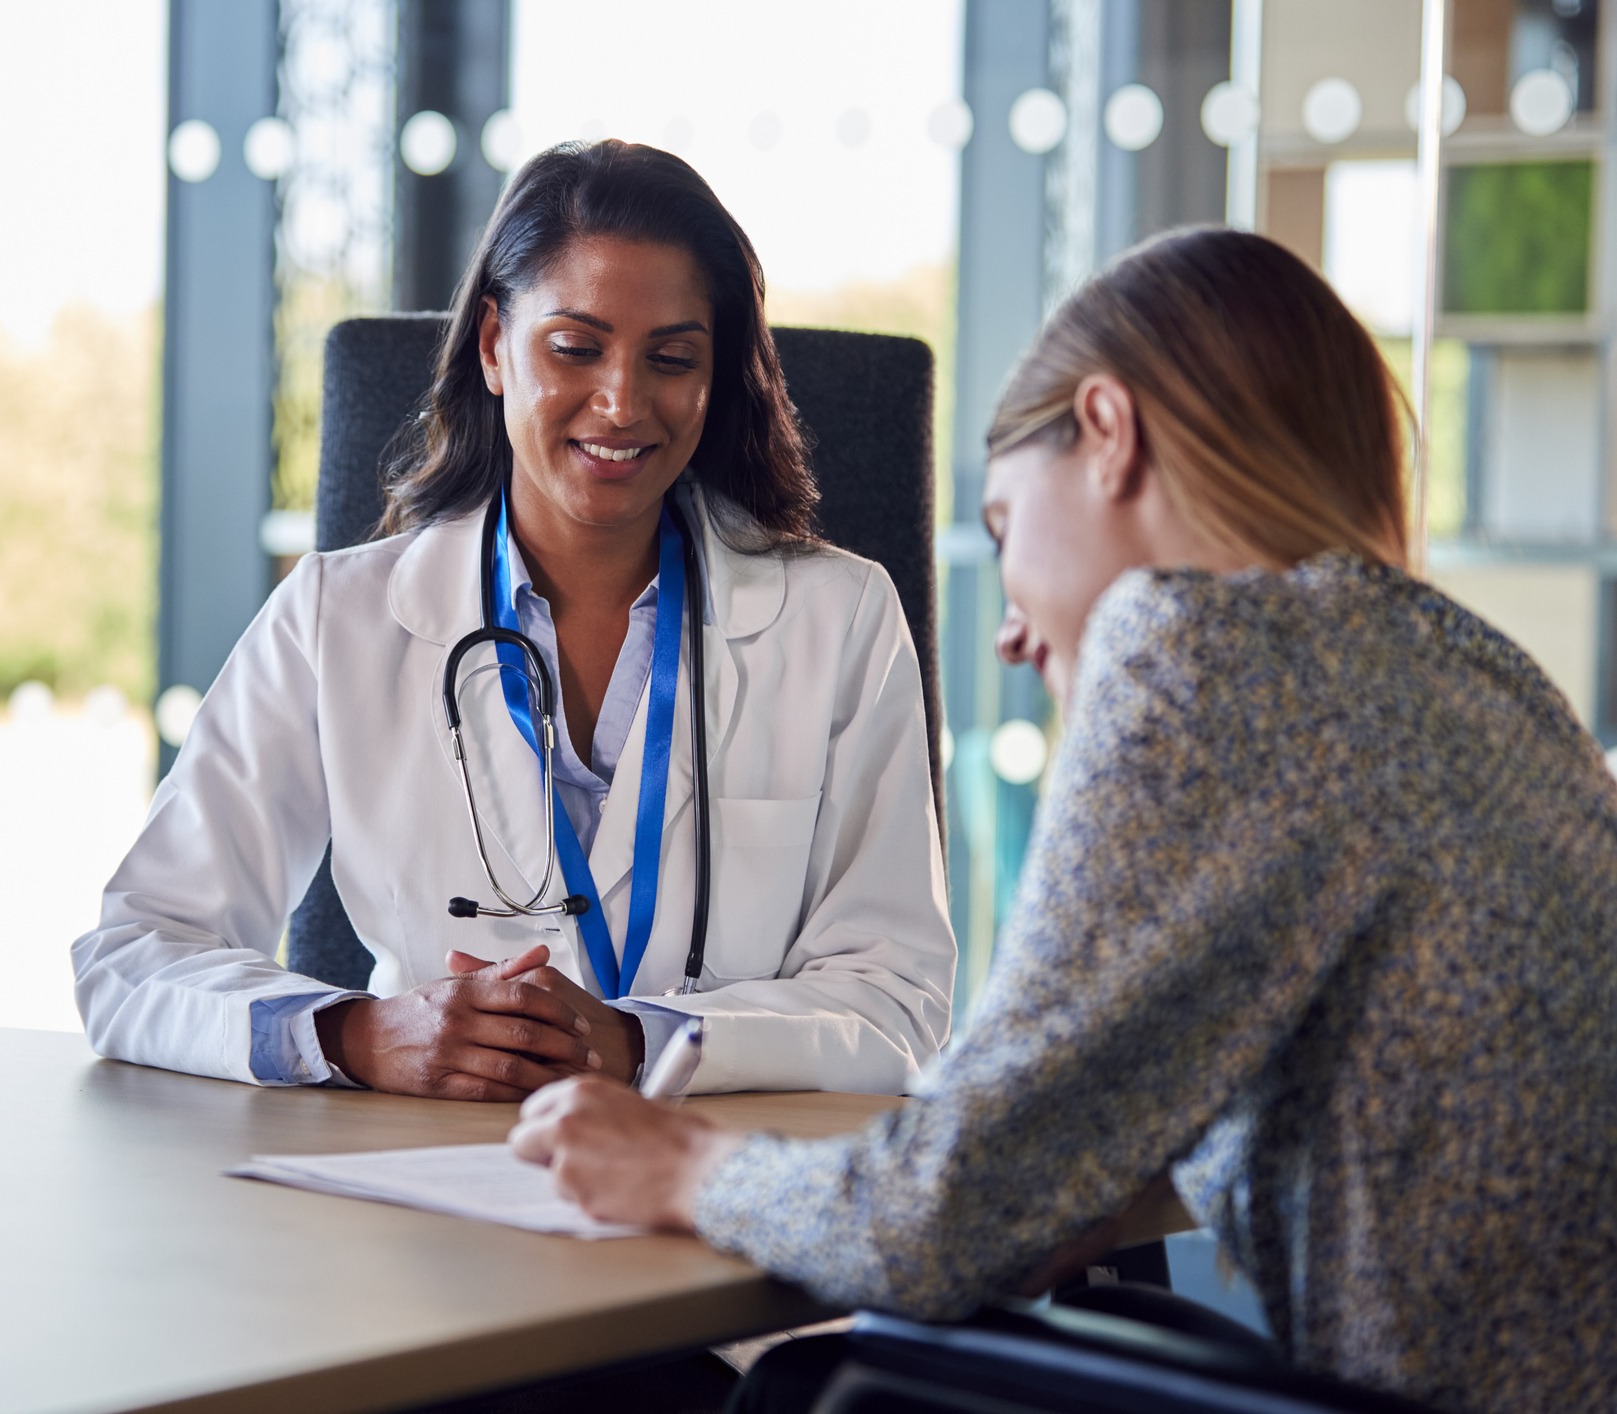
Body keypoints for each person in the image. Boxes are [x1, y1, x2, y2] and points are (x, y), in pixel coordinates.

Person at [509, 226, 1617, 1412]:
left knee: (808, 1387)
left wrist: (683, 1164)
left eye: (1000, 526)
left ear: (1107, 431)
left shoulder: (1205, 649)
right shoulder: (1474, 672)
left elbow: (936, 1217)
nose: (1009, 632)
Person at [72, 140, 955, 1101]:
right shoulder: (339, 616)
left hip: (713, 1189)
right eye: (574, 347)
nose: (621, 403)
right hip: (417, 1189)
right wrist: (355, 1035)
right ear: (494, 347)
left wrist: (636, 1043)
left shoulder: (841, 618)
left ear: (716, 376)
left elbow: (897, 1001)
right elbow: (134, 954)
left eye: (671, 358)